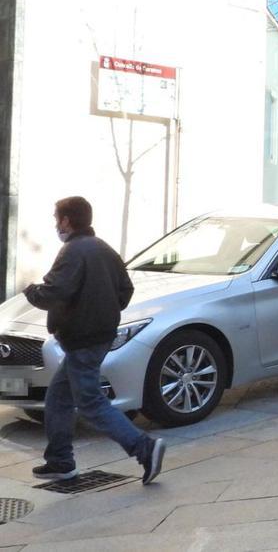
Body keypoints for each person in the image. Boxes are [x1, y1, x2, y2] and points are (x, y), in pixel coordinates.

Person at [22, 197, 165, 485]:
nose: (55, 224)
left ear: (66, 220)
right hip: (96, 337)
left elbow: (54, 292)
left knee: (90, 402)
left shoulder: (73, 250)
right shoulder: (103, 249)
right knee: (58, 398)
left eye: (56, 218)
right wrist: (103, 311)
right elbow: (126, 289)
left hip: (83, 340)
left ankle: (144, 448)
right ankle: (60, 461)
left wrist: (31, 291)